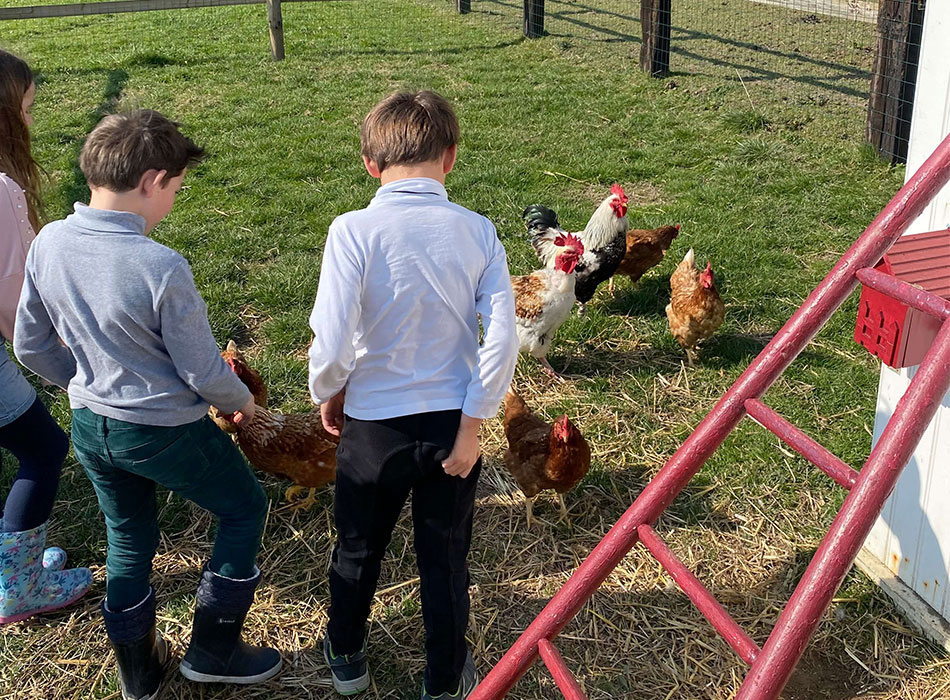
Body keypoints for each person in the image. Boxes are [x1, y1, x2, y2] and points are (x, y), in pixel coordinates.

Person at [13, 109, 281, 700]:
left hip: (90, 425)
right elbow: (202, 369)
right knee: (243, 507)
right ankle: (214, 648)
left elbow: (29, 342)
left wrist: (83, 381)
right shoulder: (161, 266)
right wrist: (243, 406)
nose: (173, 202)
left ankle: (138, 673)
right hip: (164, 431)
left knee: (128, 535)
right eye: (177, 190)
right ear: (154, 180)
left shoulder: (49, 242)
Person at [308, 90, 518, 699]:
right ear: (450, 157)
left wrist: (331, 389)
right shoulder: (479, 232)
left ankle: (346, 653)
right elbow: (500, 341)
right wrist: (474, 427)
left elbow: (331, 334)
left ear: (371, 164)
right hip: (451, 428)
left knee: (357, 546)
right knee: (445, 560)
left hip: (373, 427)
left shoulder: (351, 231)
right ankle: (444, 679)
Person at [0, 49, 93, 625]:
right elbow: (15, 299)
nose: (32, 124)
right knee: (42, 448)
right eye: (27, 111)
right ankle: (19, 586)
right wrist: (58, 360)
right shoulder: (1, 192)